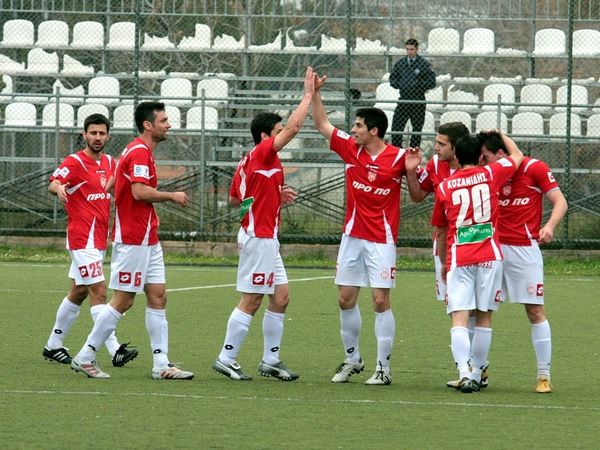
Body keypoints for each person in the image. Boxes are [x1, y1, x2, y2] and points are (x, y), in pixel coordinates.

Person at [70, 102, 193, 380]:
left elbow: (111, 185)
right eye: (163, 120)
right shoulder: (138, 152)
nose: (168, 124)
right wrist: (172, 196)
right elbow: (138, 192)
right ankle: (85, 356)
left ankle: (161, 365)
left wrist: (122, 196)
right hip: (134, 238)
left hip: (148, 237)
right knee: (123, 301)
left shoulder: (135, 150)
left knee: (158, 296)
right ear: (149, 125)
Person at [211, 67, 315, 382]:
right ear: (266, 136)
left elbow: (235, 200)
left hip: (265, 236)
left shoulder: (256, 160)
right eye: (278, 131)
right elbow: (296, 127)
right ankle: (226, 358)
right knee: (252, 298)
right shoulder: (262, 154)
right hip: (258, 237)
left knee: (281, 297)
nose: (284, 134)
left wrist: (269, 196)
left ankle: (270, 361)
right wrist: (308, 94)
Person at [312, 71, 412, 386]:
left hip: (381, 240)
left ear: (374, 131)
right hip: (352, 237)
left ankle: (383, 368)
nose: (352, 130)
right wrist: (314, 93)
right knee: (344, 298)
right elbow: (322, 124)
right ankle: (353, 359)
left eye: (357, 126)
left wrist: (412, 172)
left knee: (380, 301)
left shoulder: (397, 158)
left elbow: (421, 194)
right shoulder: (350, 149)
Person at [43, 114, 138, 368]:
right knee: (99, 290)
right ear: (84, 134)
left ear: (108, 136)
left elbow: (121, 186)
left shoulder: (110, 162)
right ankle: (114, 348)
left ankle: (53, 345)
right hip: (81, 238)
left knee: (79, 291)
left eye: (102, 133)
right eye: (93, 133)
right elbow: (54, 182)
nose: (97, 138)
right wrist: (59, 188)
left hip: (98, 240)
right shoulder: (74, 162)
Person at [431, 132, 523, 393]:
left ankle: (464, 373)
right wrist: (501, 135)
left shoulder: (445, 186)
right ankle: (477, 374)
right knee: (484, 318)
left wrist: (443, 262)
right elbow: (517, 156)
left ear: (457, 157)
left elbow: (440, 228)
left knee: (459, 318)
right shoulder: (491, 174)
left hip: (460, 258)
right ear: (481, 156)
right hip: (489, 257)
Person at [479, 131, 567, 393]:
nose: (483, 161)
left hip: (524, 251)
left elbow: (560, 201)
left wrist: (549, 226)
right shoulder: (491, 174)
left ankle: (543, 375)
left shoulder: (533, 168)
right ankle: (476, 371)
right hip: (492, 249)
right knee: (480, 310)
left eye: (486, 156)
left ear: (502, 154)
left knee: (534, 310)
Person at [404, 122, 486, 388]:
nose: (436, 148)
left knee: (473, 310)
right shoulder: (435, 166)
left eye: (441, 144)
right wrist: (410, 172)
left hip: (476, 246)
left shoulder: (479, 168)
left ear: (457, 147)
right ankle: (471, 370)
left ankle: (473, 371)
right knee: (458, 309)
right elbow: (417, 197)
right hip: (446, 246)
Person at [389, 38, 436, 148]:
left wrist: (417, 85)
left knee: (417, 129)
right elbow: (392, 79)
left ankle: (413, 153)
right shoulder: (400, 63)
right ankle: (397, 151)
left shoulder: (424, 64)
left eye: (412, 49)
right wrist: (402, 84)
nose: (409, 52)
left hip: (418, 100)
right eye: (407, 49)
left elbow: (432, 82)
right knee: (396, 128)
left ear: (417, 49)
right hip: (404, 99)